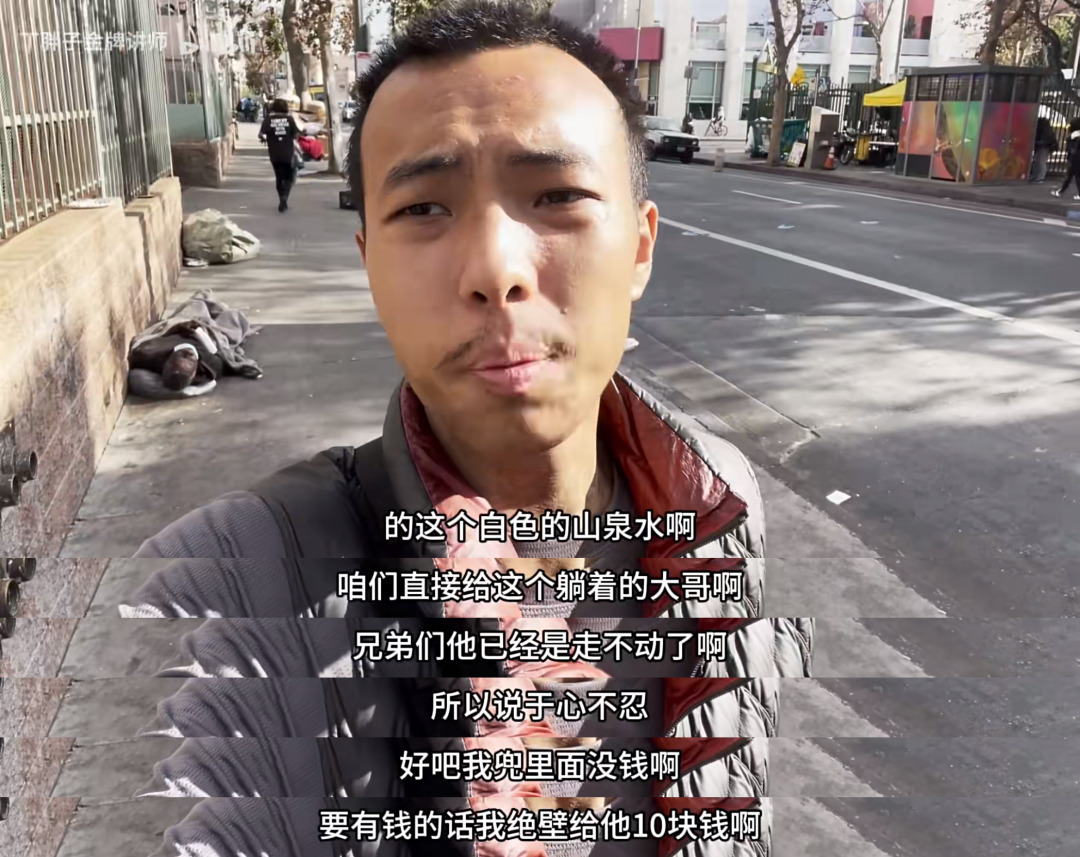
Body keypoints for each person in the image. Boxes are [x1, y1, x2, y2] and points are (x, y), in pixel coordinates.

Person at [127, 1, 814, 854]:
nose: (496, 268)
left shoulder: (716, 500)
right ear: (371, 265)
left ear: (640, 249)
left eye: (558, 196)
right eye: (424, 209)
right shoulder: (262, 571)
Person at [258, 97, 303, 212]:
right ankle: (284, 198)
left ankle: (281, 198)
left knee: (279, 177)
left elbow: (261, 134)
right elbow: (296, 134)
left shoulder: (268, 119)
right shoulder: (289, 119)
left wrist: (265, 139)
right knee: (289, 177)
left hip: (274, 153)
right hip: (288, 153)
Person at [1051, 117, 1080, 200]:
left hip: (1074, 159)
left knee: (1072, 176)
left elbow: (1070, 148)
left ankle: (1061, 192)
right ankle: (1061, 191)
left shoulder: (1073, 136)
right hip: (1076, 158)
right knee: (1072, 176)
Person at [1030, 117, 1057, 183]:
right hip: (1043, 147)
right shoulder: (1047, 130)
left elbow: (1045, 140)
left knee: (1040, 161)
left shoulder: (1044, 130)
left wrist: (1038, 143)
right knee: (1039, 161)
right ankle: (1038, 176)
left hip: (1043, 147)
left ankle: (1040, 177)